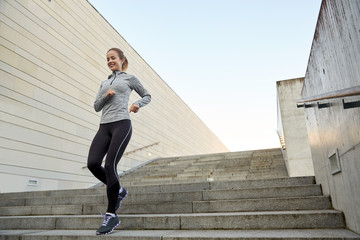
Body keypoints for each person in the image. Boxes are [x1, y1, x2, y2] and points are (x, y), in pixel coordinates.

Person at [87, 48, 151, 235]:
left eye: (113, 58)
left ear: (122, 60)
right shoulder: (104, 82)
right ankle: (119, 190)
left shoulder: (130, 79)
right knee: (92, 163)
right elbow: (96, 107)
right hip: (104, 126)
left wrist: (137, 104)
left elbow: (147, 95)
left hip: (122, 124)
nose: (110, 61)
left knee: (110, 165)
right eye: (107, 59)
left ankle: (111, 214)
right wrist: (105, 96)